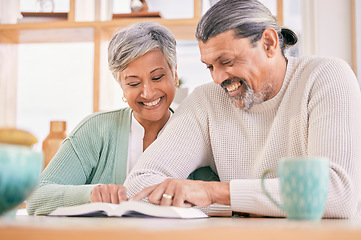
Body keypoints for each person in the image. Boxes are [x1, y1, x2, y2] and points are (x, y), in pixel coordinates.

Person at [124, 0, 361, 218]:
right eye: (210, 67)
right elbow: (139, 186)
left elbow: (337, 194)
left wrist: (216, 193)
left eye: (226, 62)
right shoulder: (207, 100)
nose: (217, 78)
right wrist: (246, 206)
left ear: (269, 43)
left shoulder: (326, 77)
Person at [27, 22, 218, 215]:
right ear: (121, 86)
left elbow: (220, 200)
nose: (148, 92)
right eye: (133, 83)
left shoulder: (195, 133)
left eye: (157, 77)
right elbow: (37, 198)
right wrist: (92, 194)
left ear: (174, 74)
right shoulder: (96, 130)